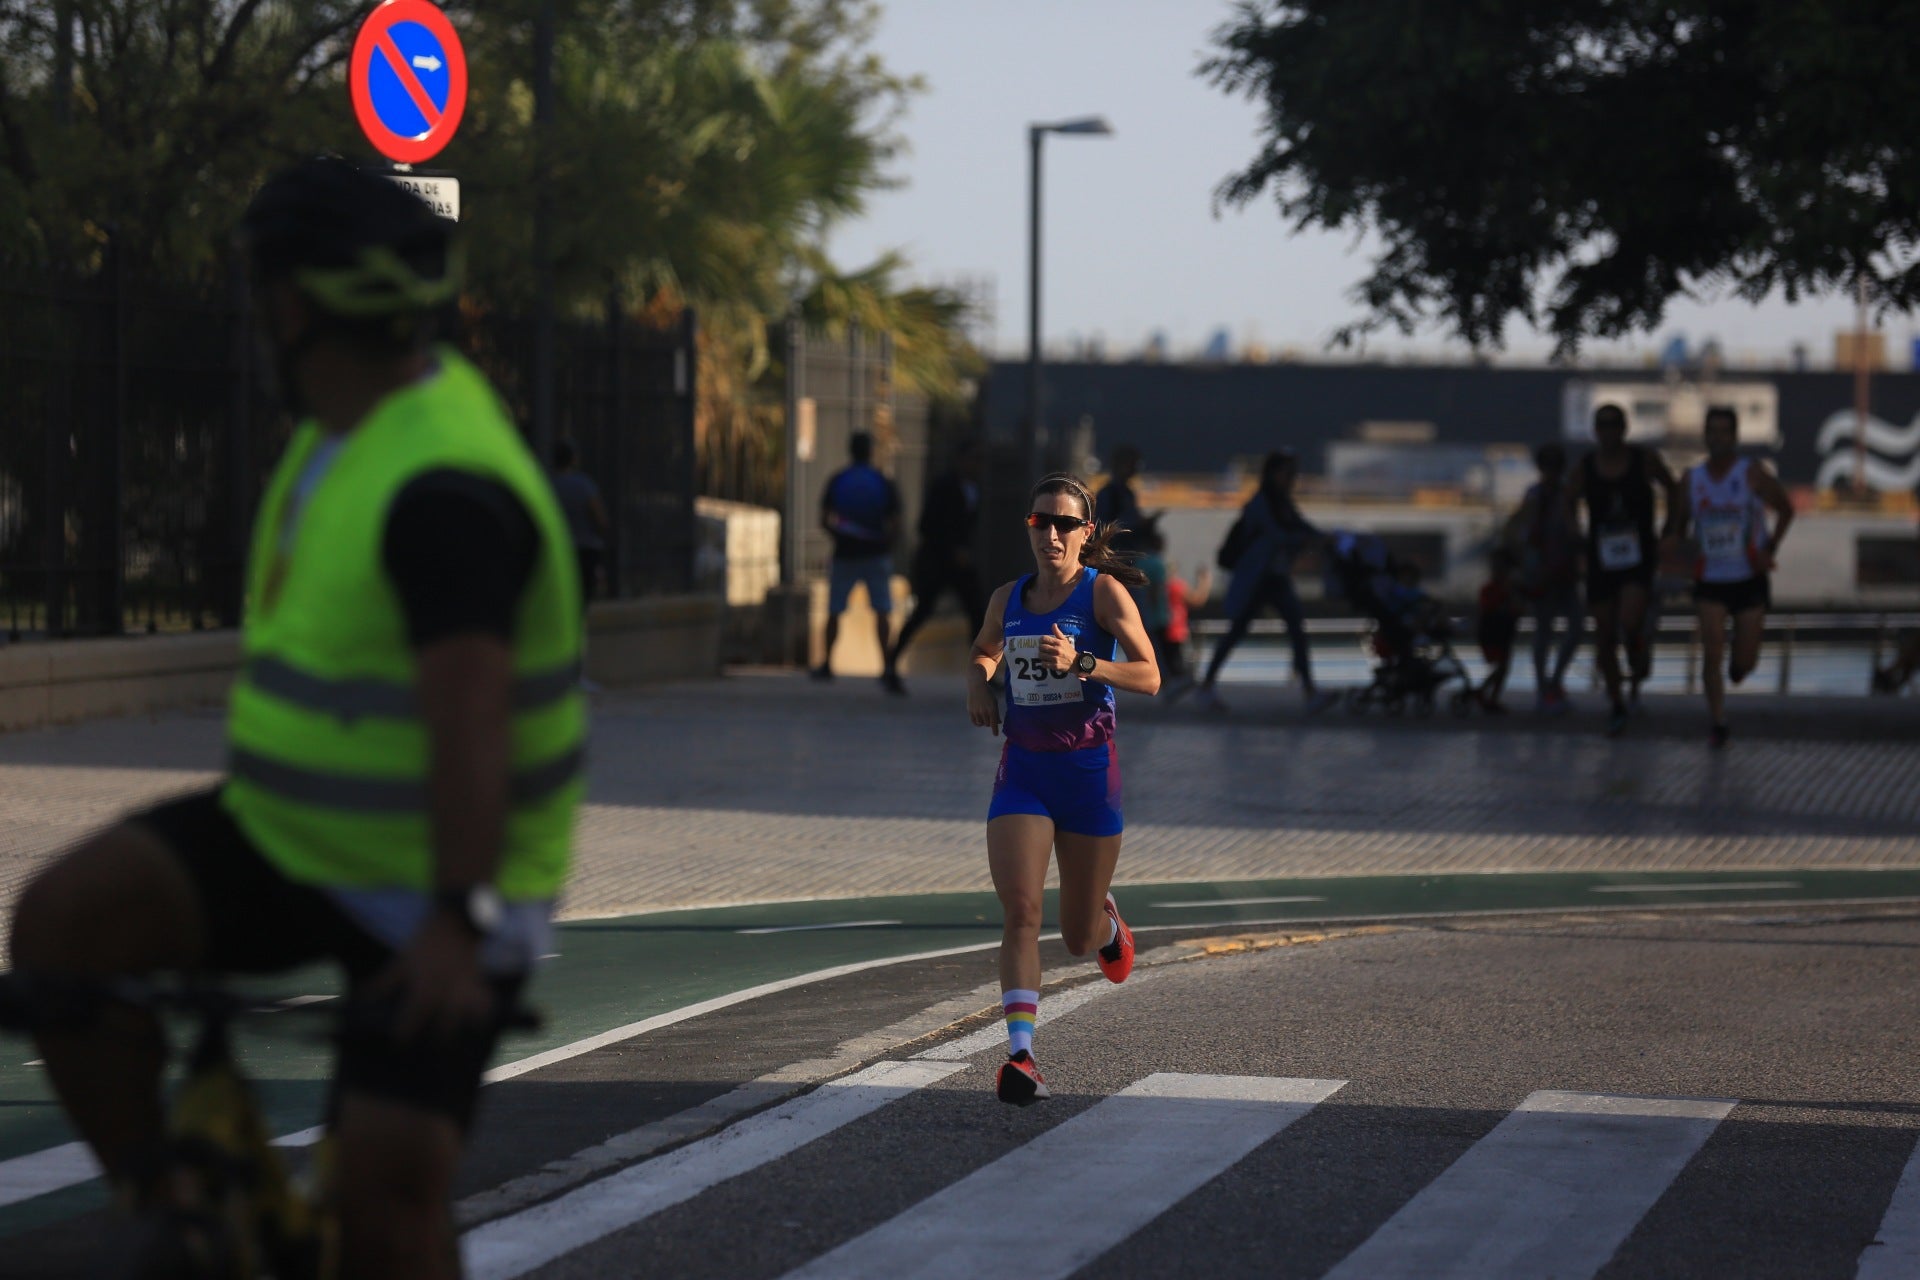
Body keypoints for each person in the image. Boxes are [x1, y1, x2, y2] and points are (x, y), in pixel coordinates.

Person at [6, 159, 585, 1278]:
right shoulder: (344, 426)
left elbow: (471, 717)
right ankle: (177, 1205)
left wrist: (458, 925)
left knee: (385, 1191)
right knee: (62, 925)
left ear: (290, 303)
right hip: (289, 836)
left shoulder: (443, 481)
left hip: (445, 882)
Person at [966, 473, 1160, 1105]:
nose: (1050, 533)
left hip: (1086, 773)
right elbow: (987, 647)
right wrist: (978, 677)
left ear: (1085, 533)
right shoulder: (1008, 596)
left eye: (1064, 524)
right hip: (1024, 769)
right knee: (1021, 913)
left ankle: (1105, 925)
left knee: (1076, 937)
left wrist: (1080, 663)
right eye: (1039, 522)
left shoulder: (1103, 595)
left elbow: (1151, 675)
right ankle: (1020, 1057)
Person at [1678, 405, 1794, 748]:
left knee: (1744, 661)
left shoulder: (1752, 473)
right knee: (1711, 651)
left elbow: (1786, 509)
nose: (1717, 437)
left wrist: (1769, 549)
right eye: (1711, 431)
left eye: (1724, 431)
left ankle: (1739, 670)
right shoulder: (1692, 479)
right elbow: (1677, 527)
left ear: (1734, 436)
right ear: (1705, 435)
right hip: (1711, 579)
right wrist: (1677, 551)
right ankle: (1718, 722)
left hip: (1748, 577)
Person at [1193, 450, 1334, 714]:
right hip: (1257, 578)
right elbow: (1280, 534)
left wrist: (1322, 537)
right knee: (1241, 630)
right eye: (1288, 473)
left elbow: (1299, 526)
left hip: (1273, 576)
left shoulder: (1281, 502)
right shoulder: (1263, 504)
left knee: (1294, 627)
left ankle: (1310, 690)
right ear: (1273, 473)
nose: (1293, 479)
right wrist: (1314, 540)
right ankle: (1207, 686)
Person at [1574, 404, 1682, 735]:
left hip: (1637, 557)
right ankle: (1617, 702)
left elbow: (1673, 489)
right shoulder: (1587, 466)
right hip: (1600, 558)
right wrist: (1576, 541)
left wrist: (1670, 531)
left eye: (1614, 425)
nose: (1608, 432)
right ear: (1595, 431)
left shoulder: (1643, 460)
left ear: (1624, 428)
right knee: (1604, 635)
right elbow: (1566, 501)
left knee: (1629, 621)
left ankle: (1637, 652)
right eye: (1602, 425)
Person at [883, 439, 987, 693]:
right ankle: (891, 665)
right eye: (972, 460)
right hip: (937, 562)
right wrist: (952, 549)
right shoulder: (944, 486)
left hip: (959, 564)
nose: (976, 466)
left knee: (978, 613)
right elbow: (928, 525)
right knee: (921, 613)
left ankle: (982, 672)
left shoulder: (973, 488)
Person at [814, 431, 902, 685]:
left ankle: (827, 663)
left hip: (845, 554)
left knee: (834, 610)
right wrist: (886, 543)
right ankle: (886, 666)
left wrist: (840, 537)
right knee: (883, 610)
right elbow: (895, 521)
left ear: (850, 450)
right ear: (870, 451)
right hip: (876, 554)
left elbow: (824, 518)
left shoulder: (839, 479)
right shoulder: (882, 481)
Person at [1509, 441, 1583, 714]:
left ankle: (1552, 683)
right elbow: (1526, 532)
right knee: (1545, 630)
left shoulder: (1566, 494)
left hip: (1563, 570)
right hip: (1542, 572)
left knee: (1573, 627)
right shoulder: (1536, 495)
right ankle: (1545, 689)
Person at [550, 438, 610, 603]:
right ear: (573, 459)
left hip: (559, 549)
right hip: (586, 548)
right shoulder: (584, 485)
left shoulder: (549, 485)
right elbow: (599, 517)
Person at [1475, 548, 1519, 712]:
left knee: (1504, 667)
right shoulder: (1490, 590)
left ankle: (1490, 697)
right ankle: (1483, 693)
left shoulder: (1511, 589)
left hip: (1504, 632)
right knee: (1500, 666)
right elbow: (1489, 607)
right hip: (1492, 632)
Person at [1093, 444, 1143, 533]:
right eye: (1130, 464)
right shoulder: (1107, 494)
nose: (1134, 468)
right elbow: (1101, 526)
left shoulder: (1127, 493)